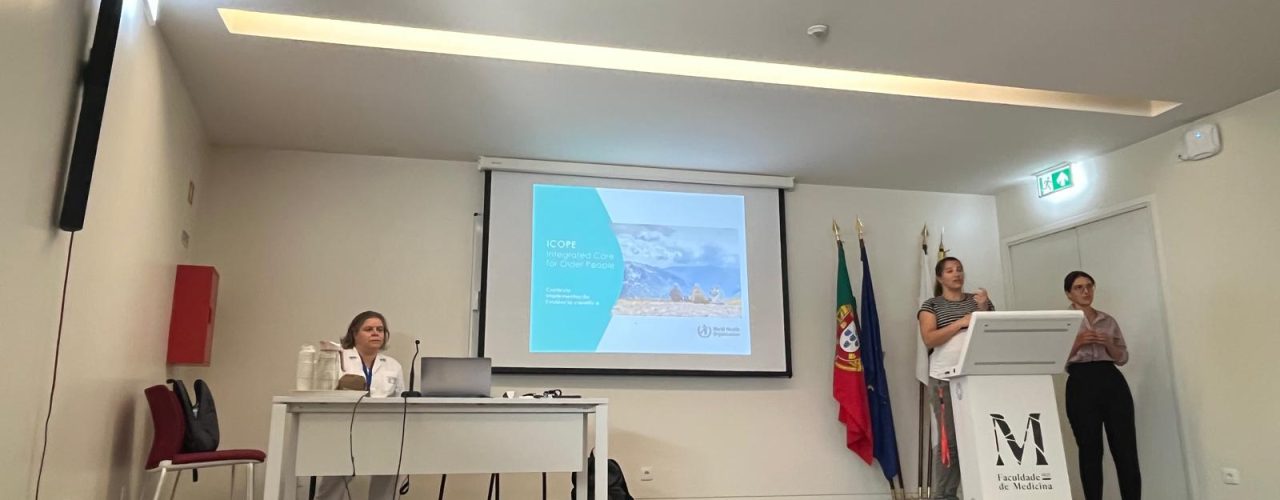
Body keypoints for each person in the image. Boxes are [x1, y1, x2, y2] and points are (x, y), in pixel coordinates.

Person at [917, 257, 994, 500]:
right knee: (949, 439)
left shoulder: (977, 301)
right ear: (940, 278)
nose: (956, 274)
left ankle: (979, 491)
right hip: (944, 379)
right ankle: (945, 495)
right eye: (950, 270)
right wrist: (961, 323)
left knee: (978, 437)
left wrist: (983, 308)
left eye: (959, 269)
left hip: (976, 378)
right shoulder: (931, 305)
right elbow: (929, 339)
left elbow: (991, 333)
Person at [1063, 271, 1141, 500]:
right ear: (1069, 293)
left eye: (1089, 286)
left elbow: (1122, 357)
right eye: (1078, 287)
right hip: (1080, 382)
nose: (1086, 291)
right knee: (1090, 450)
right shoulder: (1064, 321)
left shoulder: (1108, 320)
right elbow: (1054, 359)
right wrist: (1077, 343)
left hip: (1111, 380)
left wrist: (1108, 343)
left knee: (1125, 449)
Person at [315, 311, 406, 500]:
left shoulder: (393, 365)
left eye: (380, 329)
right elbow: (322, 391)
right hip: (344, 429)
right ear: (355, 334)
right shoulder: (338, 357)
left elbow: (400, 402)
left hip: (381, 431)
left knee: (391, 470)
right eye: (369, 329)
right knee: (335, 480)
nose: (376, 333)